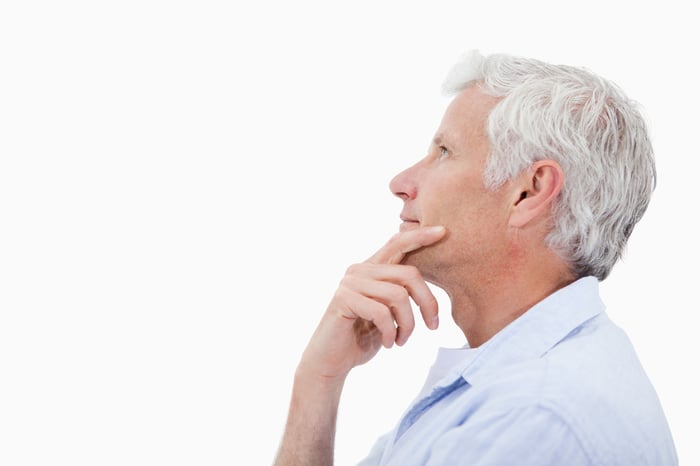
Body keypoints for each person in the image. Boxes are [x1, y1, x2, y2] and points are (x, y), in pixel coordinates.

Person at [273, 51, 677, 465]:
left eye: (444, 151)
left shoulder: (530, 417)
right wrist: (318, 383)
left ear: (529, 192)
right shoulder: (515, 383)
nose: (401, 183)